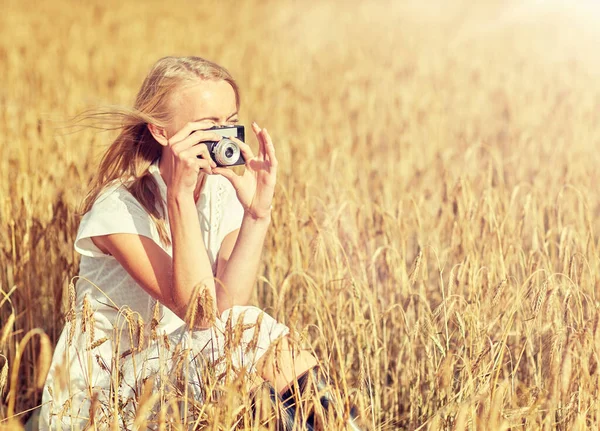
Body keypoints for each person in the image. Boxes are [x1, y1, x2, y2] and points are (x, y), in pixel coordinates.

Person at [39, 56, 362, 430]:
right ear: (161, 131)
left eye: (230, 122)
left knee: (248, 328)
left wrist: (258, 215)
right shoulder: (119, 208)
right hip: (102, 399)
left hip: (176, 373)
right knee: (247, 336)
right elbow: (200, 313)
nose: (224, 136)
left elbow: (229, 313)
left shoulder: (220, 193)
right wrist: (179, 197)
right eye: (209, 126)